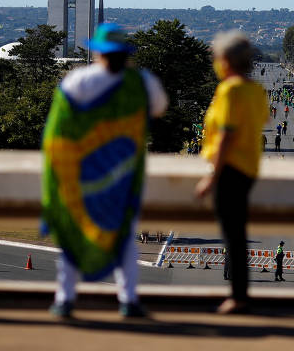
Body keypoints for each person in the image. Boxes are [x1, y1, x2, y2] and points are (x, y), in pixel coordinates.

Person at [41, 24, 168, 319]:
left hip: (81, 175)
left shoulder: (78, 81)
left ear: (97, 53)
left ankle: (65, 299)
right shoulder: (142, 83)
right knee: (124, 238)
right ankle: (128, 299)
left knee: (74, 235)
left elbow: (55, 133)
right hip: (122, 176)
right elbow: (160, 108)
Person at [196, 31, 268, 315]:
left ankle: (239, 296)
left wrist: (212, 176)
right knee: (236, 234)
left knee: (233, 236)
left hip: (230, 169)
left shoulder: (229, 90)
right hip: (249, 167)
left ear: (225, 61)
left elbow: (226, 134)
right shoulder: (256, 89)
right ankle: (239, 294)